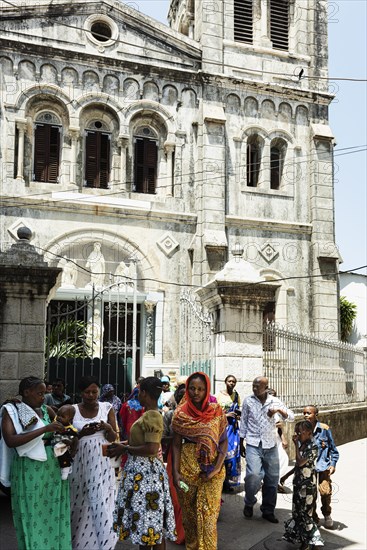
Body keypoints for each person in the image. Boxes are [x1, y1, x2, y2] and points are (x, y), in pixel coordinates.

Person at [0, 376, 72, 550]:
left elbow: (66, 427)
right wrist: (45, 429)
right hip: (28, 467)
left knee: (53, 510)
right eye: (40, 393)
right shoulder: (12, 411)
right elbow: (11, 440)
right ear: (26, 392)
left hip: (52, 467)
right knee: (31, 513)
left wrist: (67, 435)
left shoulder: (47, 410)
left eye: (44, 392)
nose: (43, 396)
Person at [108, 376, 176, 548]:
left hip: (146, 476)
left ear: (144, 393)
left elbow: (152, 448)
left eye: (139, 392)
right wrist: (126, 446)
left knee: (148, 524)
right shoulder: (149, 414)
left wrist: (125, 449)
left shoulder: (152, 416)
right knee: (149, 523)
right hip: (143, 473)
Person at [172, 372, 228, 550]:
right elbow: (176, 445)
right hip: (187, 468)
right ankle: (192, 546)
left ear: (207, 390)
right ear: (187, 389)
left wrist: (216, 468)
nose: (196, 392)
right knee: (189, 516)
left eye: (201, 389)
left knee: (209, 516)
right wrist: (175, 473)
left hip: (213, 469)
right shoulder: (180, 414)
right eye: (192, 388)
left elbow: (224, 441)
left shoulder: (216, 411)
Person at [69, 375, 118, 550]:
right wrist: (82, 434)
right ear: (80, 393)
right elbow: (66, 439)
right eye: (87, 392)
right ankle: (80, 543)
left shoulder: (107, 408)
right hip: (80, 461)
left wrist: (108, 428)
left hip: (101, 462)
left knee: (102, 498)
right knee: (80, 498)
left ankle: (105, 543)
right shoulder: (72, 410)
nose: (91, 395)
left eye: (94, 392)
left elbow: (114, 438)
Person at [240, 376, 294, 523]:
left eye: (258, 386)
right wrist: (241, 442)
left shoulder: (274, 401)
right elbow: (243, 421)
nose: (255, 388)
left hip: (271, 445)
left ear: (266, 387)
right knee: (253, 476)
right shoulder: (248, 401)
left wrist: (278, 410)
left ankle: (268, 510)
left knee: (272, 479)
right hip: (253, 443)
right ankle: (249, 502)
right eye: (253, 385)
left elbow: (291, 417)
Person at [283, 420, 324, 550]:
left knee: (306, 514)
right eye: (296, 431)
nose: (297, 433)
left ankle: (312, 542)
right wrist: (286, 475)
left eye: (299, 431)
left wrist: (295, 445)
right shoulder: (303, 444)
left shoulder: (313, 446)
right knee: (298, 513)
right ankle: (306, 541)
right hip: (299, 485)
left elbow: (300, 462)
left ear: (309, 432)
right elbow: (298, 466)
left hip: (308, 487)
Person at [304, 405, 339, 528]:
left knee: (325, 491)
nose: (306, 415)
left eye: (309, 413)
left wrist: (333, 464)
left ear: (315, 415)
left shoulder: (324, 429)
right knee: (310, 494)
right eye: (304, 413)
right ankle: (313, 516)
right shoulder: (302, 428)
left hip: (323, 465)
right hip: (308, 467)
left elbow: (333, 449)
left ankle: (327, 514)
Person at [162, 384, 186, 545]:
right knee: (176, 495)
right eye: (182, 395)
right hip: (174, 456)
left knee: (189, 495)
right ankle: (177, 531)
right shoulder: (170, 415)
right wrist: (179, 437)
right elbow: (163, 438)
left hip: (193, 457)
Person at [216, 374, 242, 492]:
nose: (232, 383)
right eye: (230, 381)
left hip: (233, 428)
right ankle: (219, 482)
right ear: (225, 382)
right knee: (221, 455)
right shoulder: (218, 396)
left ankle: (228, 482)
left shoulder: (236, 395)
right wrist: (225, 415)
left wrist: (238, 414)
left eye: (234, 382)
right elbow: (213, 413)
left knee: (231, 457)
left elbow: (239, 409)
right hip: (221, 428)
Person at [267, 388, 290, 493]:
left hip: (276, 438)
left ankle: (274, 482)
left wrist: (283, 438)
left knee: (283, 459)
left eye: (274, 395)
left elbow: (280, 426)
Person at [52, 405, 79, 480]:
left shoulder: (70, 429)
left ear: (70, 419)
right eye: (58, 415)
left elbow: (76, 439)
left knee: (64, 457)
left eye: (62, 416)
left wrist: (72, 447)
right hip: (54, 444)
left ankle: (66, 469)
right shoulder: (55, 422)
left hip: (63, 447)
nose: (59, 418)